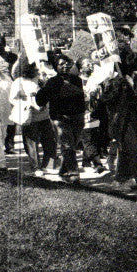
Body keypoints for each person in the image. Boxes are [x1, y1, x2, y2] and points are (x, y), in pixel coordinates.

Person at [98, 44, 137, 193]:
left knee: (126, 150)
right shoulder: (115, 81)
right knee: (133, 151)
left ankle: (120, 179)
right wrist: (118, 87)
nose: (136, 64)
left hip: (135, 121)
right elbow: (106, 100)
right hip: (120, 121)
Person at [35, 53, 86, 184]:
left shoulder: (77, 80)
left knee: (71, 146)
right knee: (67, 146)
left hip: (76, 118)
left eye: (66, 63)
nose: (65, 66)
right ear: (55, 67)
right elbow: (40, 101)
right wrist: (42, 88)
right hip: (60, 118)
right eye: (61, 64)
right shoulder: (52, 82)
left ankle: (64, 172)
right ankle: (74, 174)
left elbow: (80, 100)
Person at [10, 61, 56, 175]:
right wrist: (27, 104)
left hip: (44, 115)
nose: (37, 71)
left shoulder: (40, 80)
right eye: (35, 68)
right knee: (32, 144)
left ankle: (47, 164)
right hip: (29, 117)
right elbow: (13, 98)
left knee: (49, 141)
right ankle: (36, 167)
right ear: (27, 69)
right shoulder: (19, 82)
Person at [78, 58, 108, 174]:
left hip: (95, 114)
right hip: (83, 114)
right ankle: (97, 164)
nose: (90, 66)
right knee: (87, 139)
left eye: (91, 63)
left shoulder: (96, 79)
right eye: (87, 64)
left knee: (93, 139)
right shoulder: (77, 81)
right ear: (81, 68)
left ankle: (85, 162)